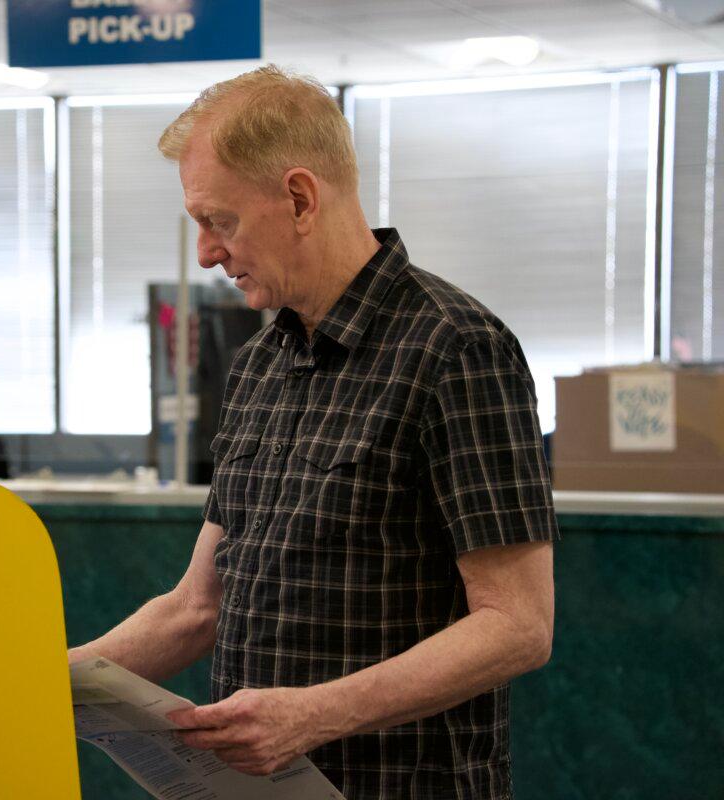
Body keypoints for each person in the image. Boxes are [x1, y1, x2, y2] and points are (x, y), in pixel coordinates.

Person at [67, 65, 558, 799]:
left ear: (299, 198)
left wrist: (311, 716)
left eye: (218, 220)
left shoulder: (456, 349)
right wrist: (40, 689)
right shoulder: (261, 364)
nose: (205, 253)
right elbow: (197, 606)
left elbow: (518, 625)